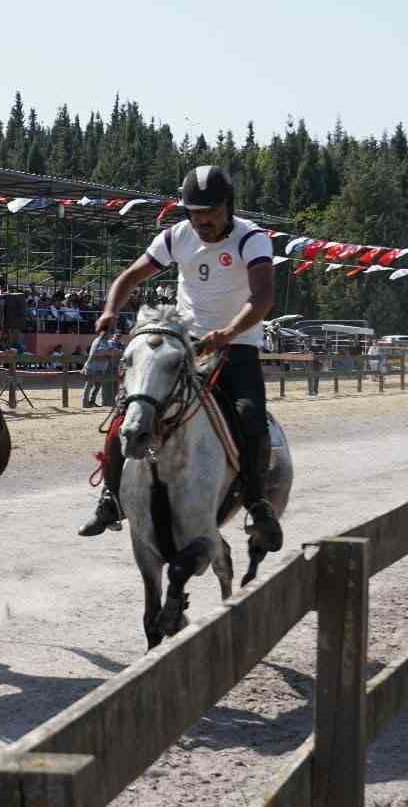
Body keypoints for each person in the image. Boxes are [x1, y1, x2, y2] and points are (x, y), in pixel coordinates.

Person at [77, 165, 283, 552]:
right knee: (130, 410)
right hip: (184, 343)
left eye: (211, 211)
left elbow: (263, 299)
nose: (202, 220)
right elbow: (128, 278)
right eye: (195, 211)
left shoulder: (251, 238)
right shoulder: (176, 236)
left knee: (250, 414)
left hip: (236, 345)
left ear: (228, 206)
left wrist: (228, 333)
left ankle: (257, 503)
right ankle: (109, 498)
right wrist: (109, 310)